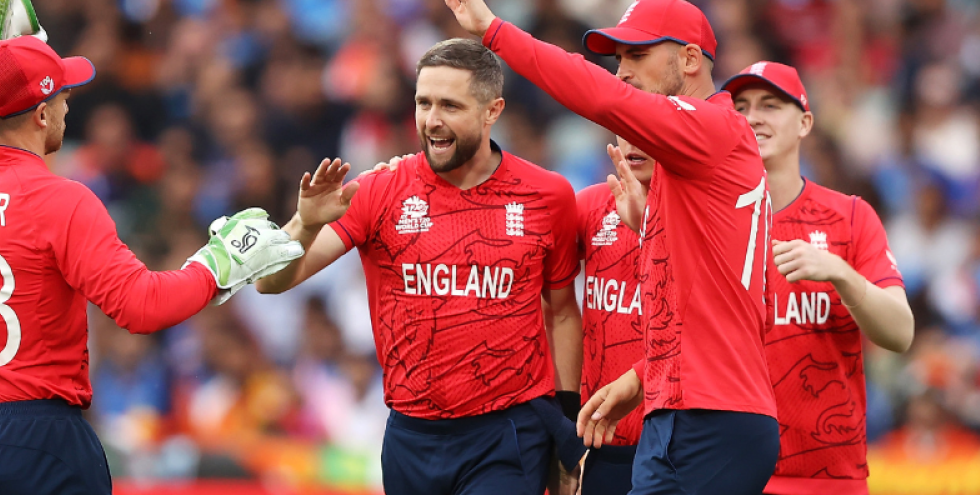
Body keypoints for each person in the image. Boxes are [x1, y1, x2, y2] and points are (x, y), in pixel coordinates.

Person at [0, 36, 303, 494]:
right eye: (62, 97)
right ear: (41, 114)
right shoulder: (61, 200)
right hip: (41, 436)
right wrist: (220, 264)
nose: (67, 107)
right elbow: (140, 306)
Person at [443, 0, 781, 493]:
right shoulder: (687, 164)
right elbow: (710, 306)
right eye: (617, 58)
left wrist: (494, 31)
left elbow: (599, 96)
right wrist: (642, 378)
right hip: (680, 412)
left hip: (711, 417)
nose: (621, 71)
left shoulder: (713, 127)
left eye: (637, 53)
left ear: (689, 59)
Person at [254, 38, 585, 495]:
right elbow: (270, 283)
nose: (432, 121)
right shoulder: (377, 191)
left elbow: (563, 311)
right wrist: (303, 224)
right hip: (410, 435)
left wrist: (567, 428)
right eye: (423, 103)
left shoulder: (547, 196)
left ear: (493, 111)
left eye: (450, 105)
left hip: (506, 434)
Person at [722, 61, 914, 494]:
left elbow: (901, 333)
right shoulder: (708, 221)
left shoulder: (849, 217)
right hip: (730, 471)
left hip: (829, 476)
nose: (752, 117)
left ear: (805, 122)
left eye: (770, 105)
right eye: (741, 107)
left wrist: (842, 274)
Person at [575, 138, 654, 494]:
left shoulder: (704, 215)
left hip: (675, 446)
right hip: (598, 447)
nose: (634, 139)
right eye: (626, 126)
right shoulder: (591, 205)